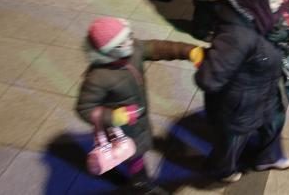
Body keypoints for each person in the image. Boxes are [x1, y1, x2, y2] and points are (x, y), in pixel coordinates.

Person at [77, 16, 202, 194]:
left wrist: (188, 51)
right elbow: (85, 108)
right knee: (134, 153)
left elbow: (158, 48)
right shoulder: (97, 78)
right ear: (107, 51)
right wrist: (113, 117)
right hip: (119, 129)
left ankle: (133, 174)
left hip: (137, 120)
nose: (130, 43)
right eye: (122, 43)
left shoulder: (132, 49)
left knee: (136, 149)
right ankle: (140, 183)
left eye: (129, 36)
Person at [195, 0, 289, 183]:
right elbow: (208, 78)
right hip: (242, 102)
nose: (277, 0)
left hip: (265, 90)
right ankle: (223, 170)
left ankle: (267, 157)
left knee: (274, 121)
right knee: (233, 141)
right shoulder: (237, 35)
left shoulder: (261, 15)